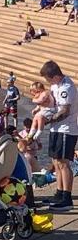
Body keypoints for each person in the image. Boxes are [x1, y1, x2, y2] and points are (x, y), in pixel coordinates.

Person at [39, 60, 76, 209]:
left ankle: (67, 198)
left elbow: (65, 111)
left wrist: (47, 121)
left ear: (54, 76)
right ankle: (59, 192)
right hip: (56, 129)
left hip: (66, 129)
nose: (47, 82)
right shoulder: (55, 85)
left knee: (63, 162)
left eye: (47, 79)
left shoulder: (67, 87)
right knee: (56, 161)